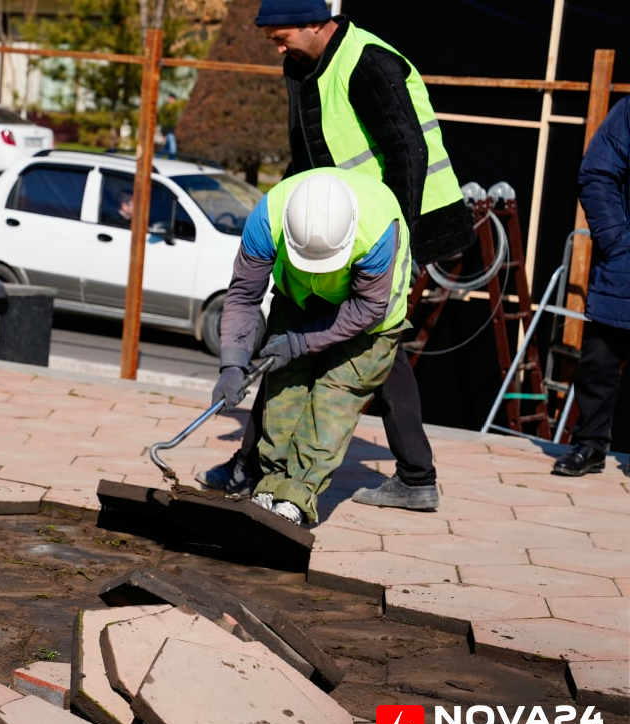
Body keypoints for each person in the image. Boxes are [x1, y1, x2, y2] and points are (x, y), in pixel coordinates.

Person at [197, 0, 475, 512]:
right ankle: (411, 476)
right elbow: (309, 149)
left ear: (314, 22)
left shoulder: (369, 62)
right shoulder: (303, 62)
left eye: (282, 38)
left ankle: (260, 468)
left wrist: (401, 241)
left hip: (384, 228)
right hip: (325, 226)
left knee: (366, 341)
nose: (278, 48)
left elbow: (408, 153)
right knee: (350, 345)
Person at [212, 167, 413, 525]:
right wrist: (232, 363)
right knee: (284, 393)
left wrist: (301, 341)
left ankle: (297, 499)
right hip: (298, 299)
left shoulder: (378, 229)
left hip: (370, 319)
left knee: (331, 401)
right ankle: (270, 488)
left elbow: (368, 307)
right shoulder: (269, 217)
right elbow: (244, 294)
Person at [551, 98, 629, 477]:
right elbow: (597, 172)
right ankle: (591, 445)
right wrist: (617, 239)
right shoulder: (629, 111)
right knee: (600, 357)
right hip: (625, 261)